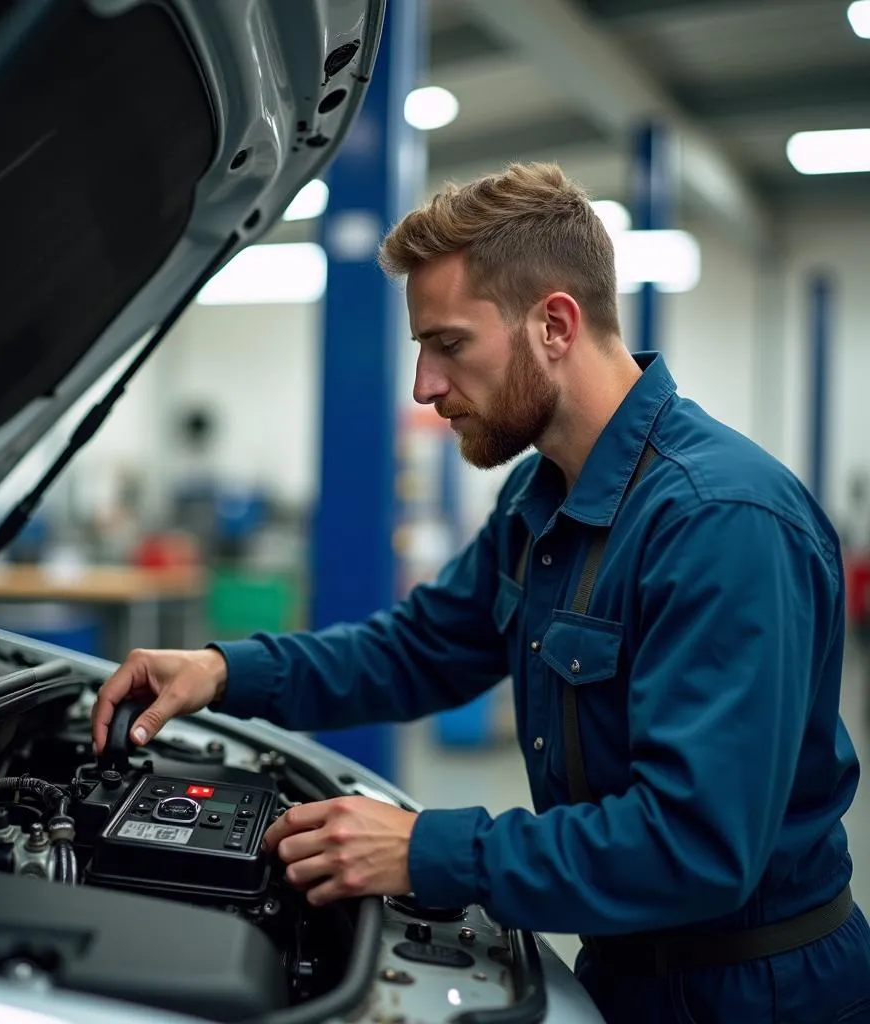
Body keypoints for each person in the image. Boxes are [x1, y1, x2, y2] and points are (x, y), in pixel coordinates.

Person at [92, 162, 870, 1023]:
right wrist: (219, 670)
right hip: (627, 965)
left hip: (755, 994)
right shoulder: (543, 498)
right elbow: (420, 648)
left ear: (555, 325)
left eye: (450, 344)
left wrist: (430, 851)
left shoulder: (720, 522)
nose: (424, 387)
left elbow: (693, 847)